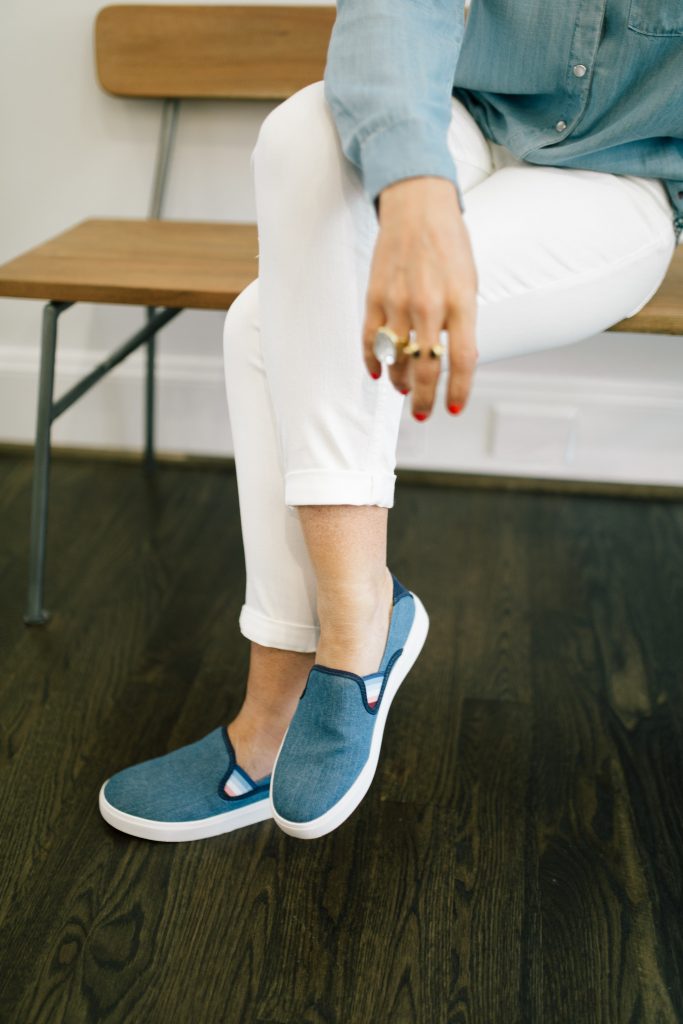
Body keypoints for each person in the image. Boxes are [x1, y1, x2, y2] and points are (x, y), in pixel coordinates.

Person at [98, 0, 682, 843]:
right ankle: (356, 620)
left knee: (266, 325)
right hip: (455, 118)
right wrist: (411, 194)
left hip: (621, 181)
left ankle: (271, 722)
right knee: (305, 130)